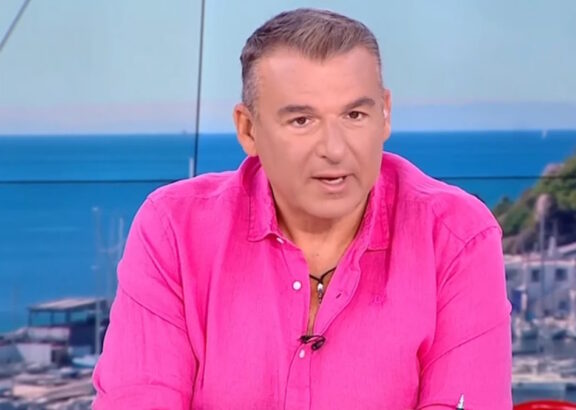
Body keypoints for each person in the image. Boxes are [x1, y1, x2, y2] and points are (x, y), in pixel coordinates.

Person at [92, 8, 512, 409]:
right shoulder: (174, 230)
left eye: (354, 114)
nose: (334, 149)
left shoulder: (457, 237)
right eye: (302, 121)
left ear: (385, 115)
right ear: (248, 129)